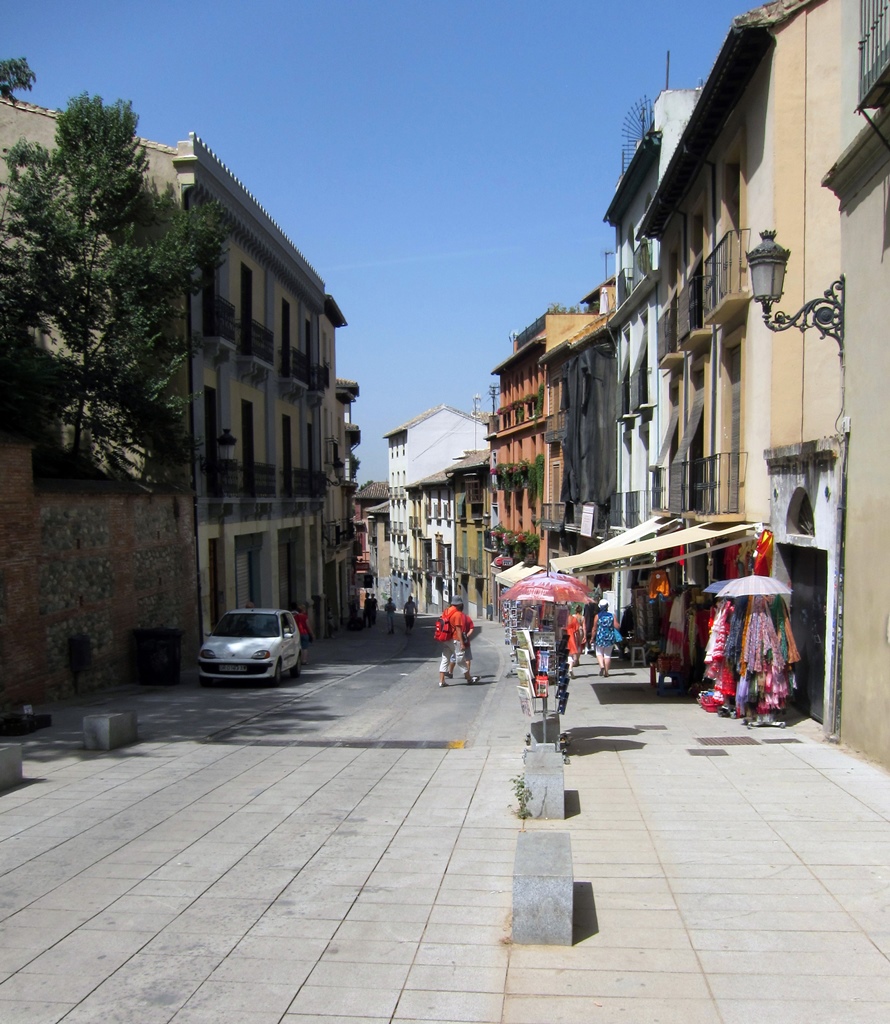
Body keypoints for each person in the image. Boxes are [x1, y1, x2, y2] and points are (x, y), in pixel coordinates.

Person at [438, 596, 480, 687]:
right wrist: (462, 643)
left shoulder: (446, 611)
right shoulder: (457, 614)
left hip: (446, 638)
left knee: (445, 659)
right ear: (460, 604)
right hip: (454, 639)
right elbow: (458, 629)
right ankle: (469, 679)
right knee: (460, 659)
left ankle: (441, 681)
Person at [591, 599, 616, 677]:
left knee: (599, 653)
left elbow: (594, 628)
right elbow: (617, 626)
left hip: (600, 637)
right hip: (610, 637)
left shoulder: (597, 616)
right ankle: (606, 672)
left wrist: (592, 638)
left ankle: (602, 666)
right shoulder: (612, 615)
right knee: (607, 655)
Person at [565, 603, 585, 677]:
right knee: (571, 655)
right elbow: (577, 631)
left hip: (564, 637)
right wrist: (579, 640)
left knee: (566, 655)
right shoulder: (573, 619)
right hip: (571, 638)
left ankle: (567, 669)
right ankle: (570, 668)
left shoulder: (562, 618)